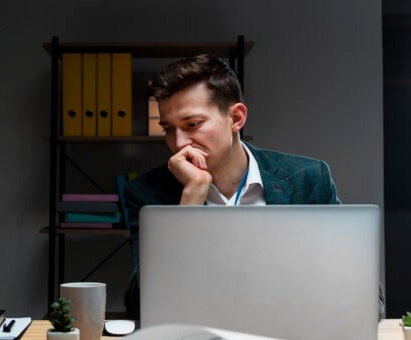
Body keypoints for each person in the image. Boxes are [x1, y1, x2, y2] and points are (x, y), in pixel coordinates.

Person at [123, 54, 341, 319]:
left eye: (193, 124)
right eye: (168, 129)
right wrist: (190, 199)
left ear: (236, 117)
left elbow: (364, 297)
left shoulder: (307, 178)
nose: (179, 143)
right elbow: (140, 306)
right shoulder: (147, 193)